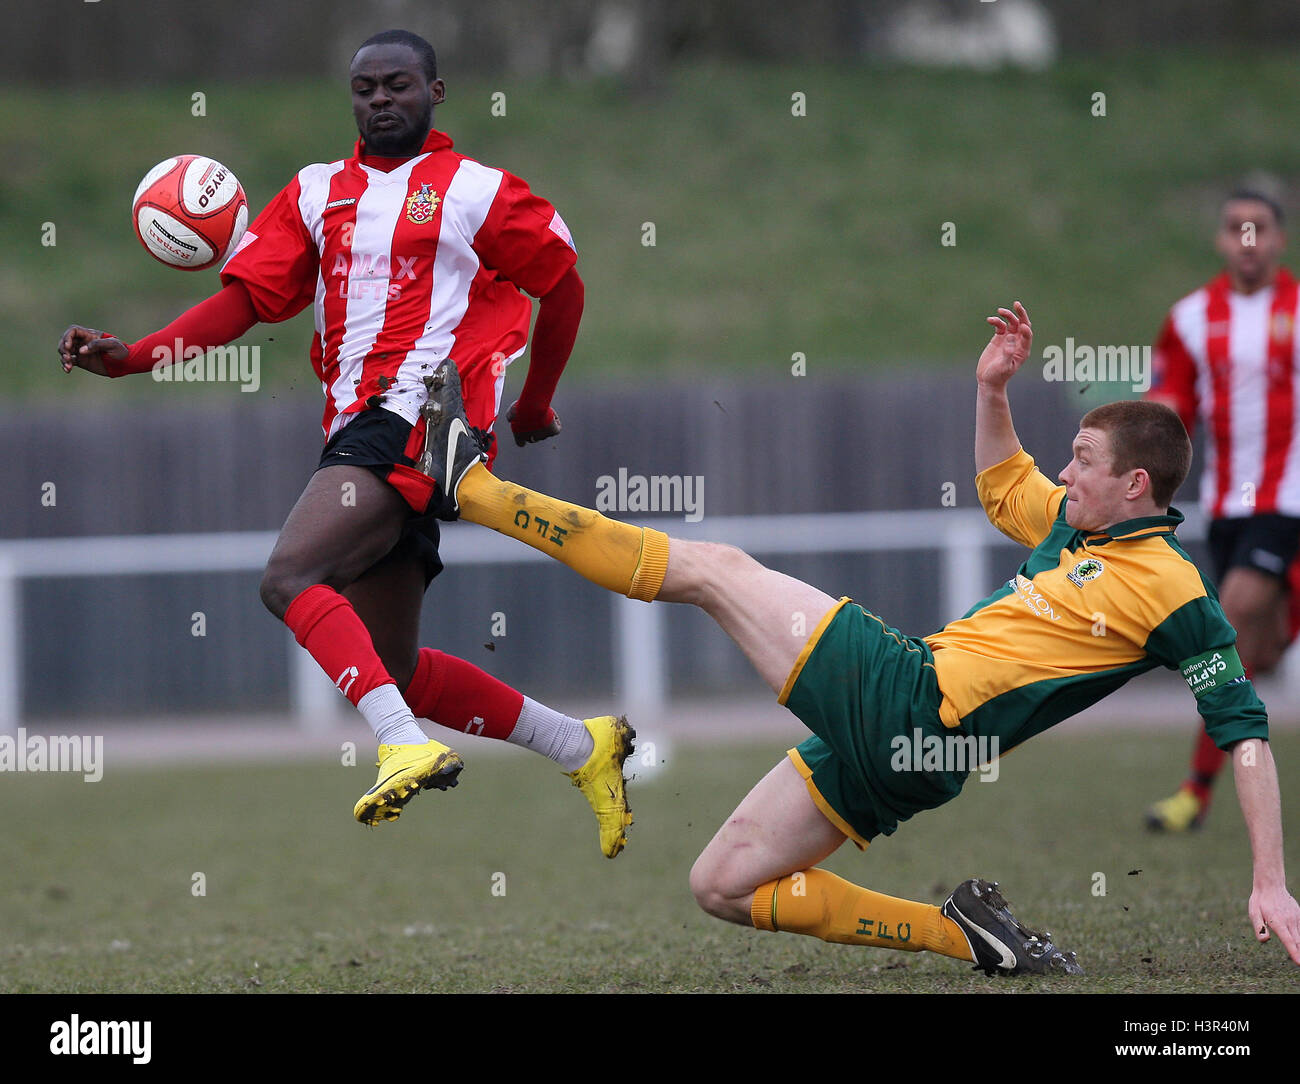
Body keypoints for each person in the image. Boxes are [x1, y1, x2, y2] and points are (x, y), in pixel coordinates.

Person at [416, 301, 1300, 973]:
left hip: (912, 700)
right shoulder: (1075, 524)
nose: (1064, 471)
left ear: (1136, 483)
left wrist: (1269, 879)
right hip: (921, 756)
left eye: (1082, 460)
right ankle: (964, 936)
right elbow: (1002, 482)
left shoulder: (1175, 588)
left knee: (717, 569)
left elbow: (1243, 725)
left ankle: (477, 491)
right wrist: (991, 387)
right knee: (722, 885)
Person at [55, 28, 634, 858]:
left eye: (398, 85)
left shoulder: (474, 190)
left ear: (437, 93)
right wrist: (136, 357)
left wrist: (535, 399)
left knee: (289, 577)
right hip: (360, 430)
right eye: (365, 89)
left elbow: (562, 283)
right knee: (392, 668)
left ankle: (400, 745)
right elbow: (247, 302)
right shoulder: (316, 192)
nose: (380, 100)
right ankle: (584, 747)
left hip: (425, 421)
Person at [1145, 188, 1300, 833]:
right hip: (1228, 512)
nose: (1248, 240)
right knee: (1250, 660)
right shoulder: (1188, 317)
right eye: (1235, 227)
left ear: (1279, 239)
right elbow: (1170, 404)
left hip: (1289, 507)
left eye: (1259, 227)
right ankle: (1204, 796)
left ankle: (1189, 795)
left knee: (1224, 634)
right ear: (1220, 239)